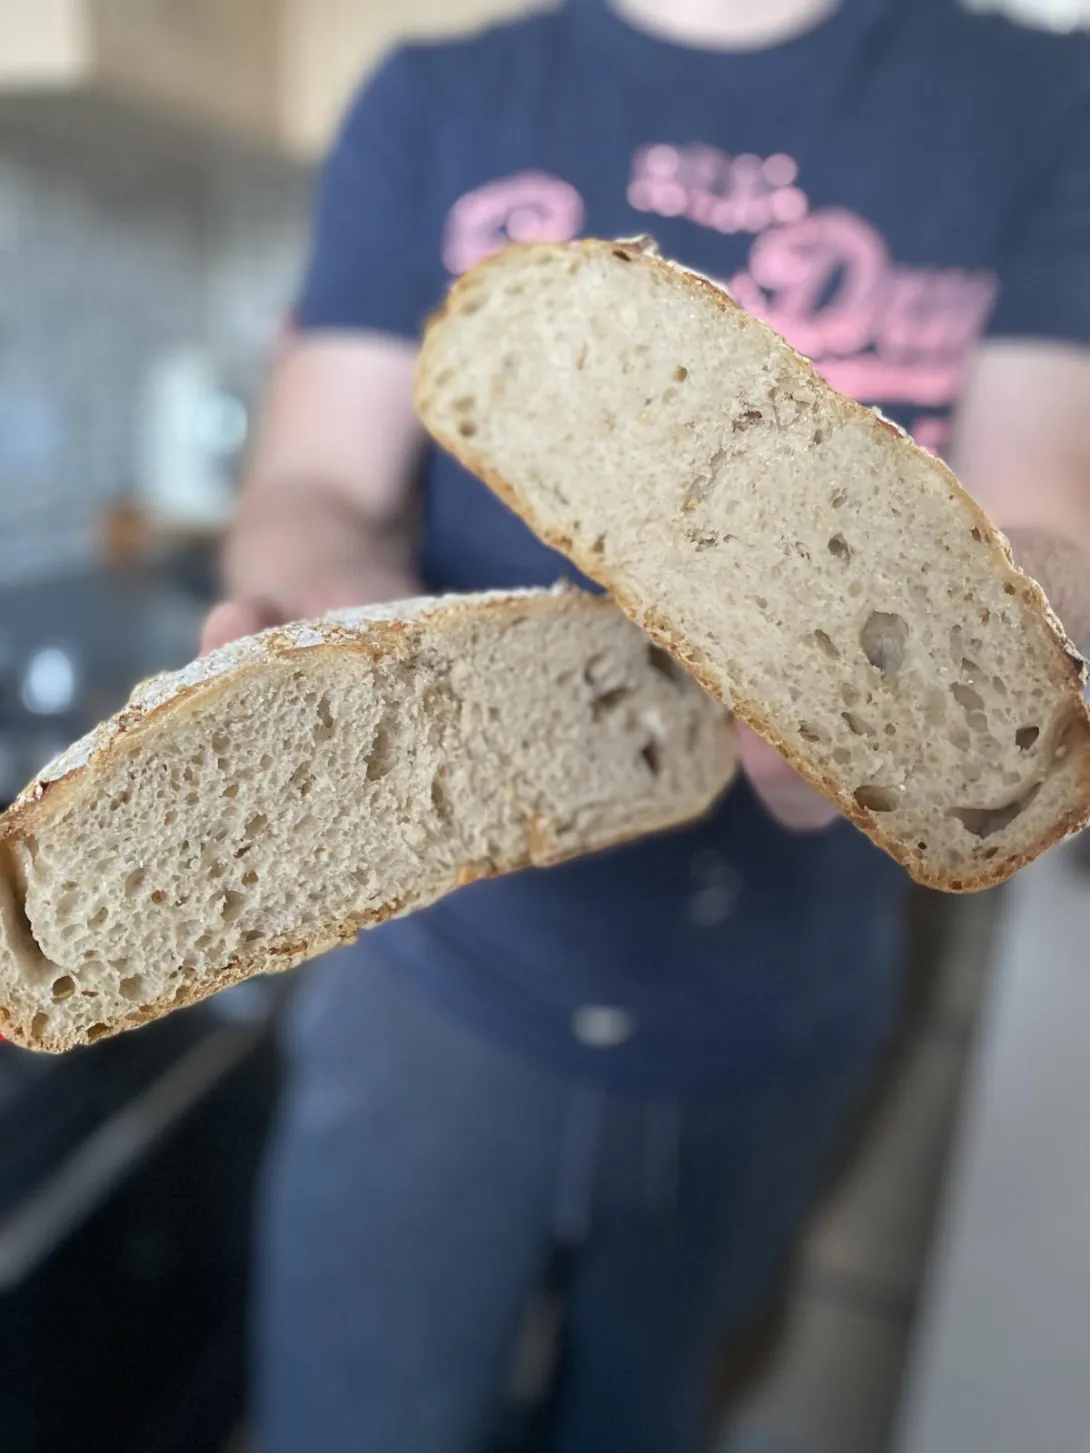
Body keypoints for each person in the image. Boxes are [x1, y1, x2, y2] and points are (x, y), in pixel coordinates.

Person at [202, 1, 1090, 1448]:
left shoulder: (1044, 93)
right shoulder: (439, 95)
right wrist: (354, 647)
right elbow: (310, 489)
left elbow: (1049, 518)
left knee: (654, 1420)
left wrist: (925, 675)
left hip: (780, 1008)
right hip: (443, 975)